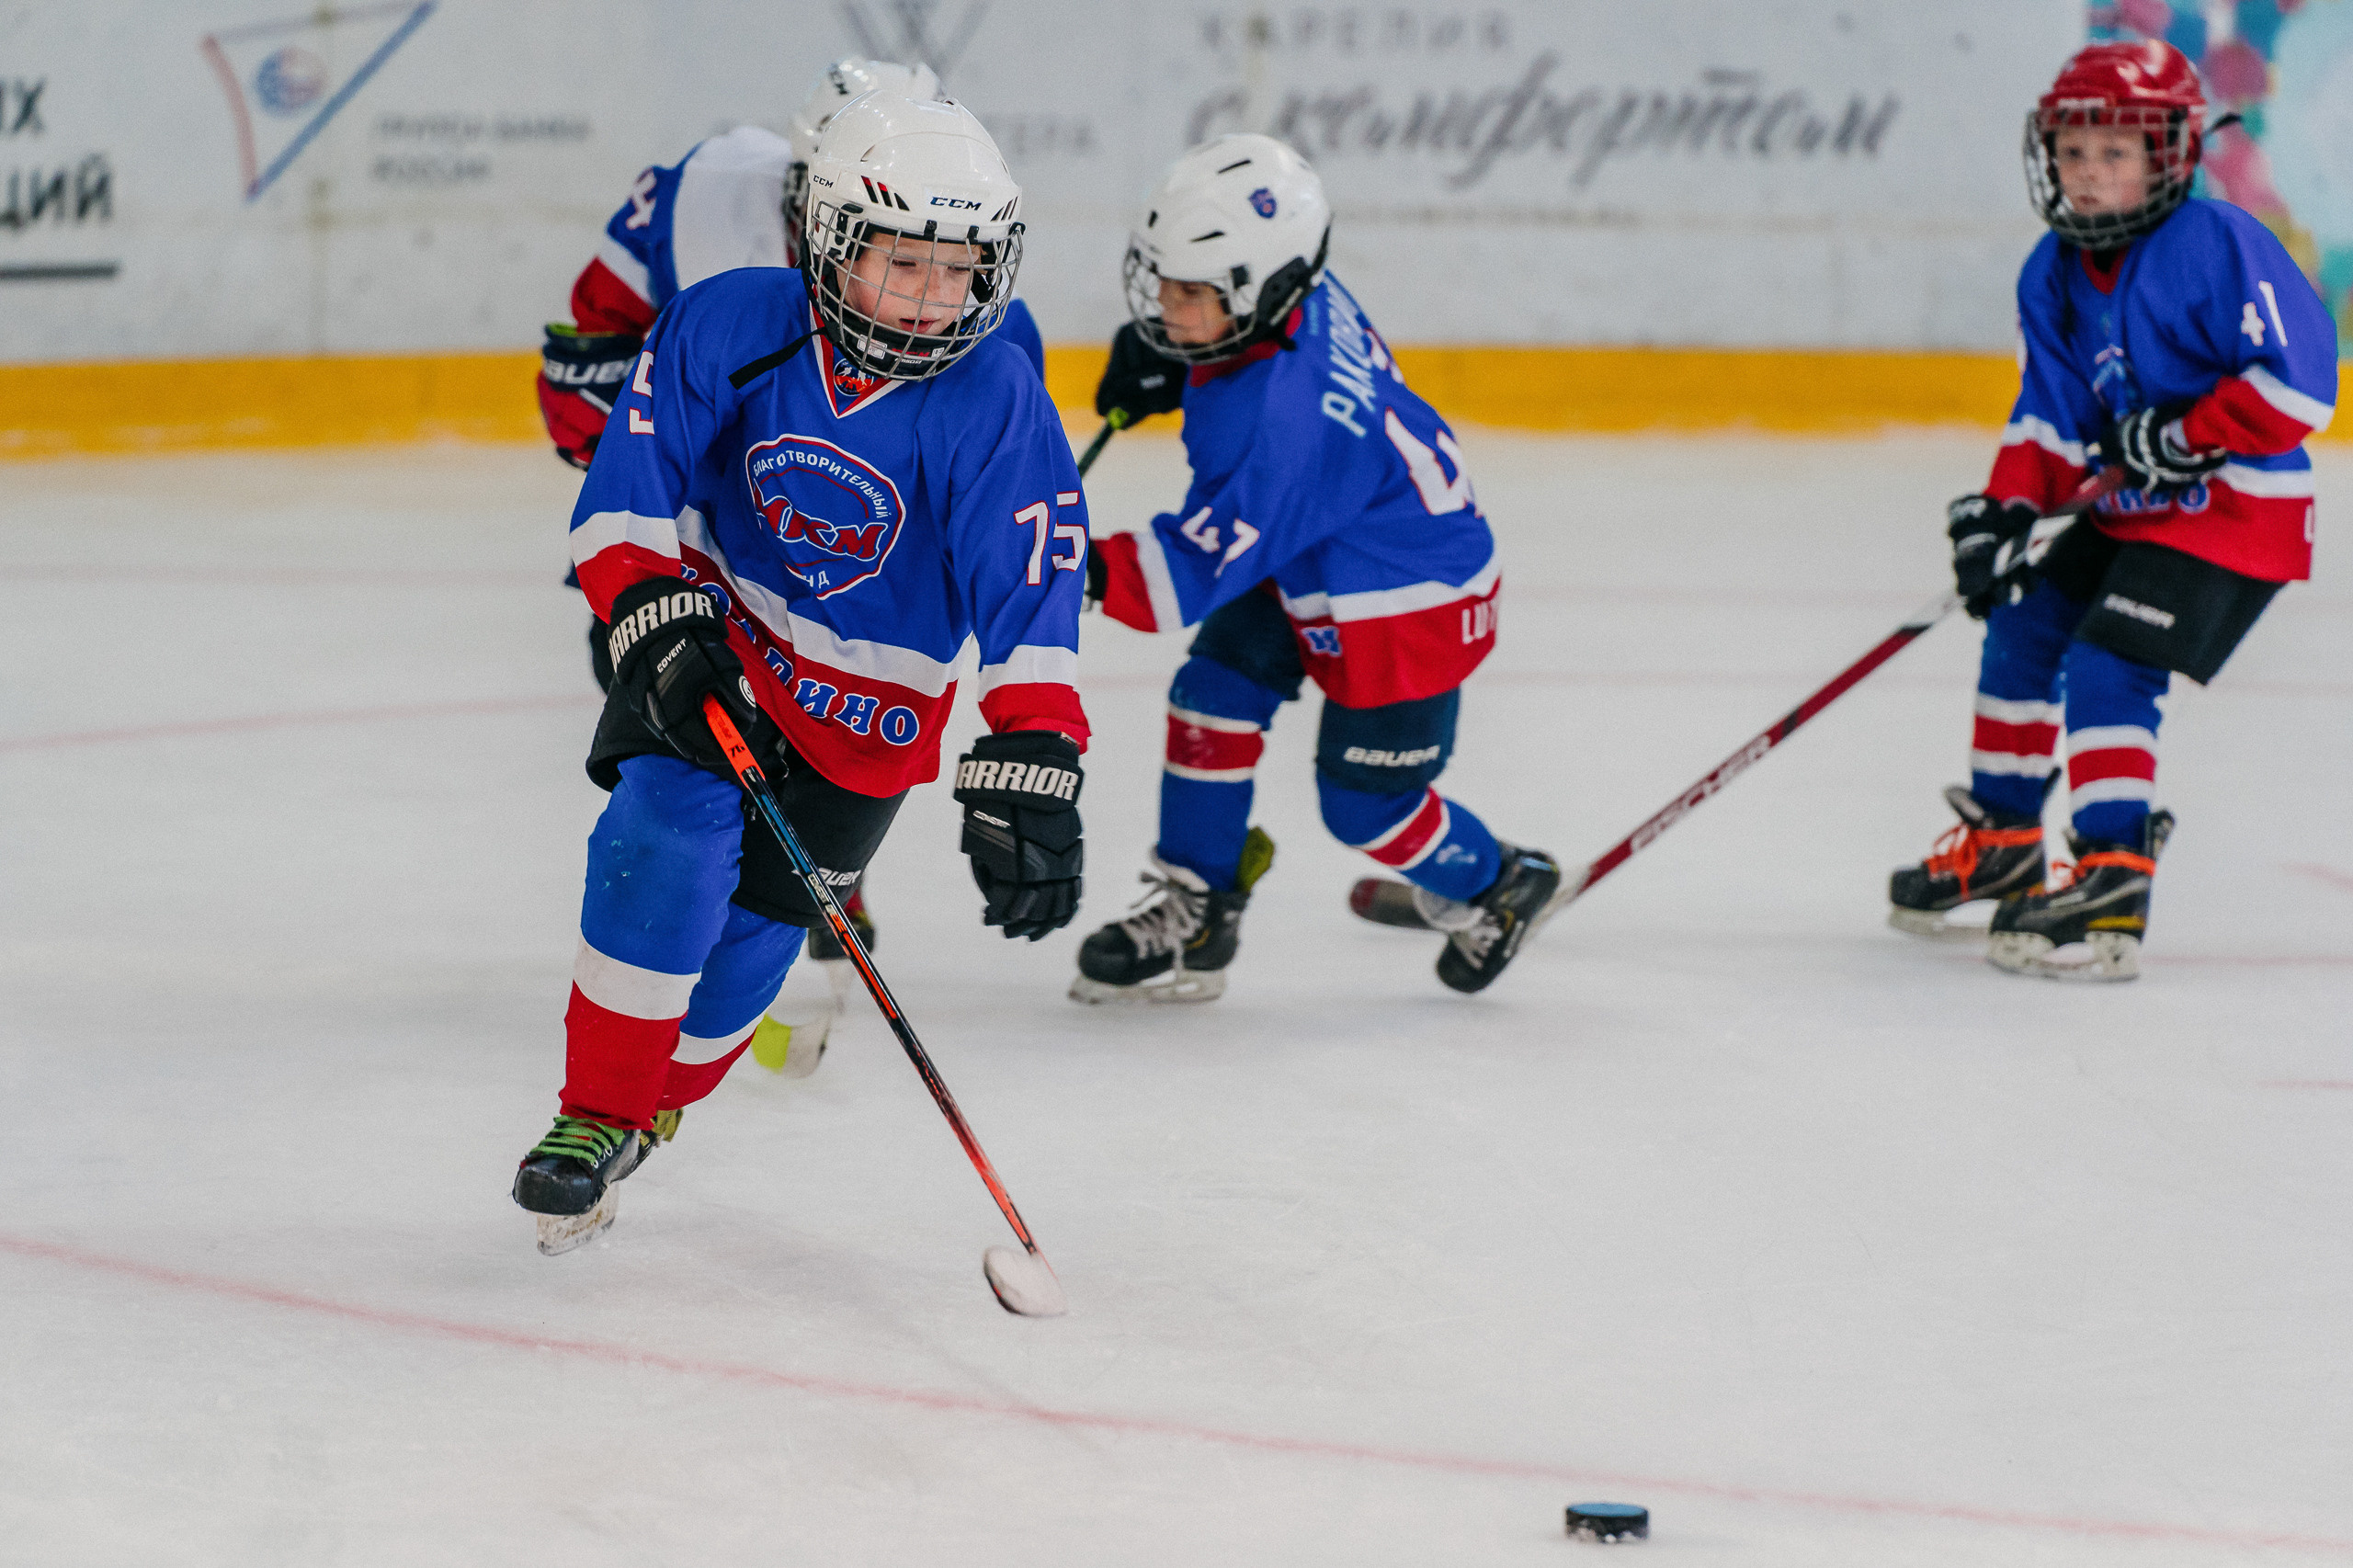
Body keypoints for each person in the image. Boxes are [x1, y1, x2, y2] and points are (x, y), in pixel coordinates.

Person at [512, 90, 1089, 1255]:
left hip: (868, 716)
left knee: (754, 944)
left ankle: (650, 1109)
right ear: (828, 242)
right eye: (902, 264)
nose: (933, 299)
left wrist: (1036, 748)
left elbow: (1032, 586)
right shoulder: (728, 322)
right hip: (719, 645)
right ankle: (592, 1112)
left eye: (958, 271)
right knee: (658, 827)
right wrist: (647, 608)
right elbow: (627, 483)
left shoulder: (996, 398)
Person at [536, 59, 1040, 982]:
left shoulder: (968, 325)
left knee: (804, 788)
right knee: (666, 719)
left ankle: (780, 886)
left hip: (843, 605)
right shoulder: (703, 196)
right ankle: (674, 914)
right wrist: (640, 469)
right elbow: (588, 344)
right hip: (704, 542)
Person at [1074, 133, 1557, 1004]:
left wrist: (1073, 567)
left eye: (1191, 294)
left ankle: (1499, 881)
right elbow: (1251, 405)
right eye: (1167, 283)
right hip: (1315, 547)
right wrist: (1180, 360)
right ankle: (1200, 902)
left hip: (1404, 606)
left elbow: (1182, 571)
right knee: (1212, 695)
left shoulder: (1287, 431)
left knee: (1366, 806)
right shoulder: (1298, 293)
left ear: (1260, 289)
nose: (1166, 307)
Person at [1889, 39, 2335, 981]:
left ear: (2169, 154)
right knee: (2021, 624)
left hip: (2234, 511)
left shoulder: (2217, 244)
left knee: (2107, 659)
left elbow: (2303, 388)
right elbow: (2049, 417)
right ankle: (2004, 839)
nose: (2086, 174)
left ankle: (2110, 869)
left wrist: (2185, 434)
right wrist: (2005, 510)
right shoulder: (2048, 272)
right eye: (2072, 151)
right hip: (2127, 510)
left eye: (2114, 153)